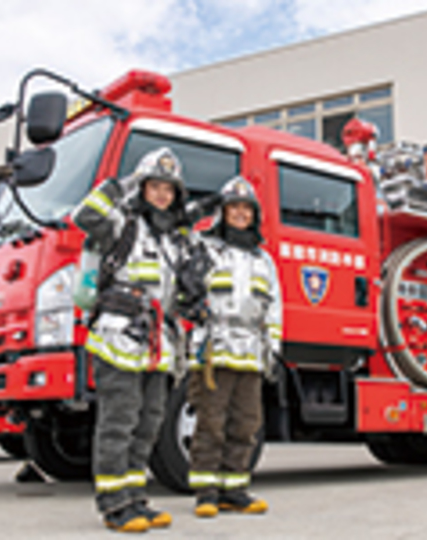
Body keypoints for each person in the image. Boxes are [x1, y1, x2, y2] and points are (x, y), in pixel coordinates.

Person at [72, 147, 190, 533]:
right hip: (117, 338)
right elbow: (84, 215)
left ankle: (136, 497)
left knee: (149, 424)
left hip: (157, 345)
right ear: (142, 188)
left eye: (168, 189)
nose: (161, 194)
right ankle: (113, 503)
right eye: (154, 186)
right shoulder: (122, 224)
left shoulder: (173, 241)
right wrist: (121, 185)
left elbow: (177, 296)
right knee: (118, 422)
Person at [187, 176, 283, 518]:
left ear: (254, 215)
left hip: (251, 353)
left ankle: (235, 489)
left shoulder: (264, 261)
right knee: (211, 422)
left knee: (246, 424)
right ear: (222, 213)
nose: (240, 214)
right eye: (233, 208)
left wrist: (273, 348)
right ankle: (206, 494)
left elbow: (274, 309)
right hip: (213, 348)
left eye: (246, 209)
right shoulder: (204, 247)